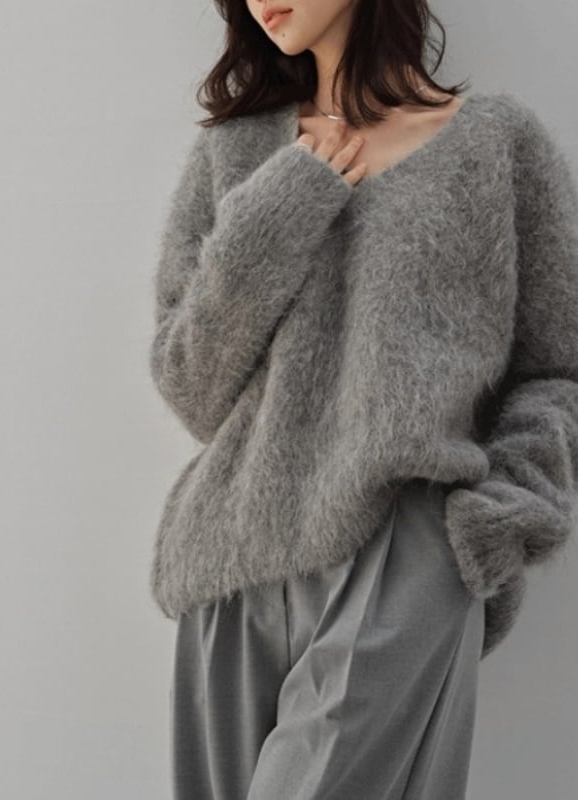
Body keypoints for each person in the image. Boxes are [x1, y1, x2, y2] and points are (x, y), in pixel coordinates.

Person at [147, 0, 578, 798]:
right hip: (230, 567)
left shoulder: (495, 147)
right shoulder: (235, 151)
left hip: (405, 546)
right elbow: (190, 383)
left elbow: (561, 369)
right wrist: (284, 204)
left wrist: (495, 520)